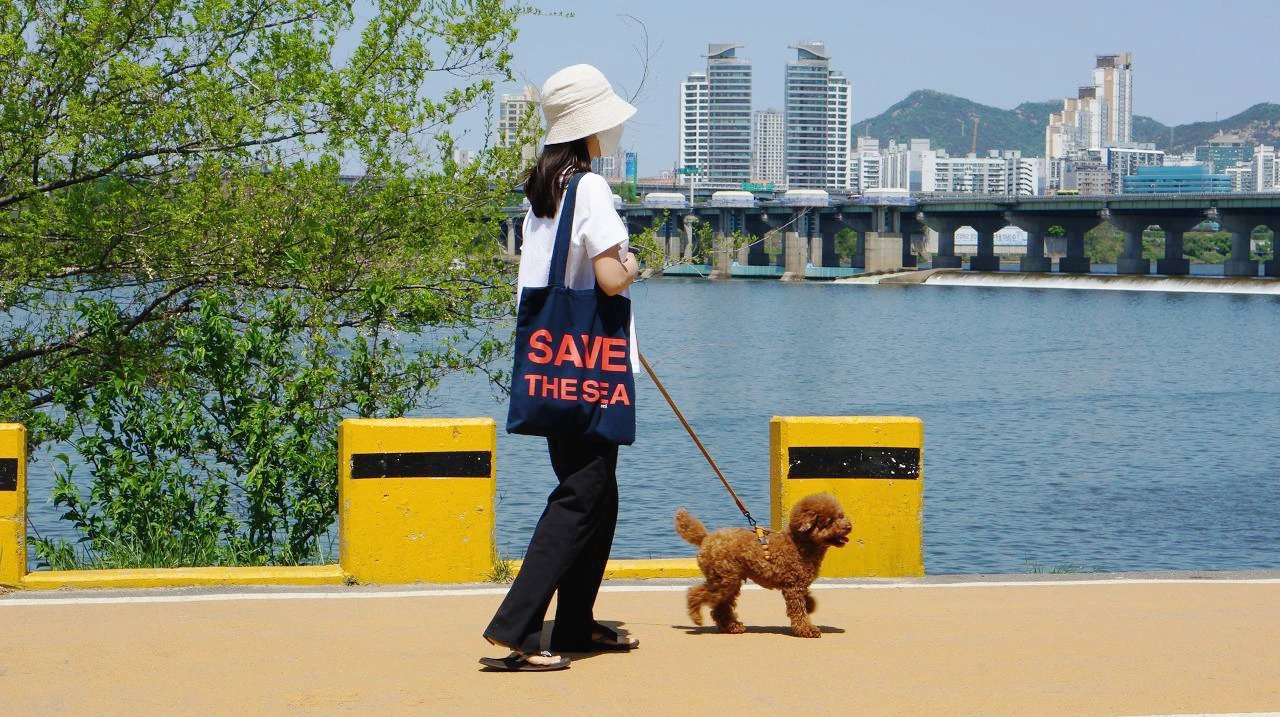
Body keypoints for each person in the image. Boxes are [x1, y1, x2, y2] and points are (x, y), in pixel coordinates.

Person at [479, 64, 641, 672]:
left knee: (599, 493)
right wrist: (634, 265)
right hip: (590, 369)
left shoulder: (543, 194)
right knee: (581, 494)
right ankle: (517, 628)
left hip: (556, 364)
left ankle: (574, 622)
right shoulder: (591, 187)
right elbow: (609, 277)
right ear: (591, 127)